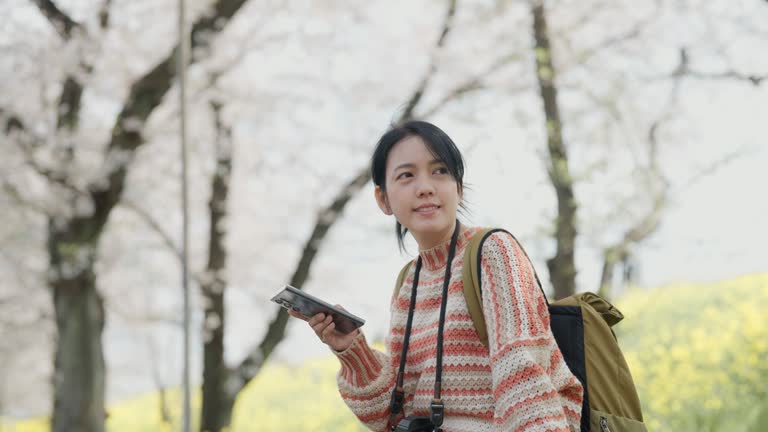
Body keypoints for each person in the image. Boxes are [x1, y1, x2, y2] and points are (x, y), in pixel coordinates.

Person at [290, 121, 583, 432]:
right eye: (406, 175)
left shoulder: (493, 252)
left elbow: (523, 378)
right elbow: (389, 417)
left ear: (458, 187)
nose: (426, 186)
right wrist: (352, 350)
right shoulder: (408, 283)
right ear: (383, 200)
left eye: (440, 170)